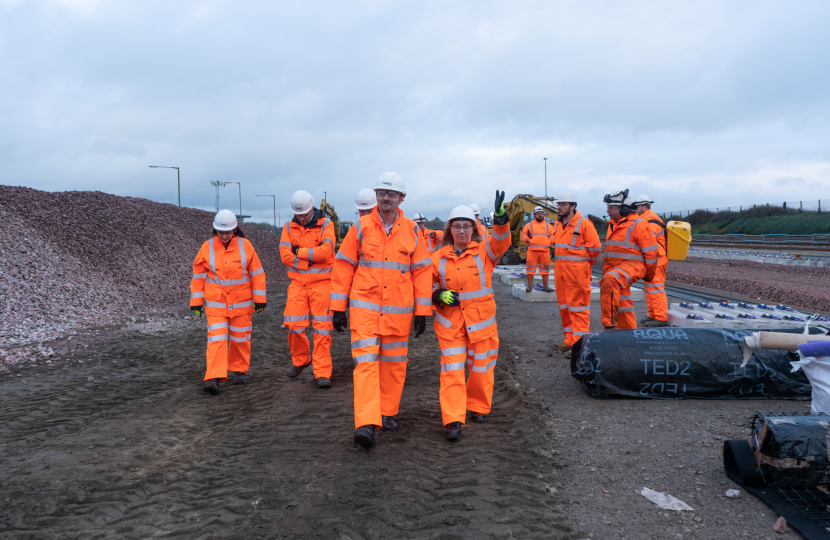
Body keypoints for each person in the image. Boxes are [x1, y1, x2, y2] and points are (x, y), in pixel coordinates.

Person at [330, 172, 432, 448]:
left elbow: (422, 272)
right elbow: (343, 267)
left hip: (398, 314)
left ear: (401, 198)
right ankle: (365, 422)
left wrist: (423, 311)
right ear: (376, 196)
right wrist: (337, 307)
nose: (385, 198)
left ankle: (386, 413)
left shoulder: (412, 230)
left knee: (394, 367)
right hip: (365, 313)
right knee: (364, 367)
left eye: (391, 194)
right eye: (381, 193)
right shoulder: (361, 228)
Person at [432, 193, 511, 441]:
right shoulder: (437, 258)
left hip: (481, 324)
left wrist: (500, 220)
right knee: (452, 371)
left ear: (473, 229)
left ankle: (478, 407)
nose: (462, 231)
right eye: (457, 226)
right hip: (451, 325)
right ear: (450, 229)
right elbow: (426, 285)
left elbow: (500, 241)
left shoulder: (484, 252)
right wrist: (439, 295)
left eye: (466, 226)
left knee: (481, 368)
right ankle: (453, 419)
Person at [190, 210, 267, 395]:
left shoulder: (246, 246)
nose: (224, 236)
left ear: (235, 230)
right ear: (215, 231)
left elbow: (257, 273)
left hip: (241, 304)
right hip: (216, 305)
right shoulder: (206, 248)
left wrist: (260, 300)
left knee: (240, 339)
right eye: (220, 232)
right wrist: (196, 302)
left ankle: (239, 370)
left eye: (227, 232)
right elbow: (198, 276)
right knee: (216, 340)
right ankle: (213, 378)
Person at [279, 190, 336, 389]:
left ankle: (322, 373)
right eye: (298, 214)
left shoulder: (326, 225)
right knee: (293, 326)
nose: (301, 218)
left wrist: (299, 252)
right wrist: (309, 261)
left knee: (322, 331)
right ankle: (301, 360)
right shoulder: (288, 226)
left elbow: (326, 252)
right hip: (297, 285)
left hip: (323, 285)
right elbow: (285, 256)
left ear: (312, 208)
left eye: (304, 214)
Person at [600, 190, 659, 329]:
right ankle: (628, 333)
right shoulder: (612, 224)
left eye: (611, 207)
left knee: (611, 279)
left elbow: (651, 253)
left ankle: (608, 326)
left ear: (624, 209)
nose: (607, 211)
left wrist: (648, 276)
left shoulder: (639, 225)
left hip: (633, 266)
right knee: (623, 302)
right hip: (616, 269)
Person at [551, 192, 602, 351]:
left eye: (563, 204)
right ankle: (569, 341)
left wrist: (583, 266)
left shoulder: (584, 224)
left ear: (573, 207)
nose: (559, 207)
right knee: (565, 308)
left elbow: (595, 249)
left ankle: (580, 347)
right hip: (561, 274)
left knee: (578, 310)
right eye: (558, 204)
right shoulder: (557, 224)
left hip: (577, 275)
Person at [633, 195, 668, 328]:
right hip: (653, 259)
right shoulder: (645, 219)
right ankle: (653, 315)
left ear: (644, 206)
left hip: (657, 259)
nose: (636, 209)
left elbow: (648, 240)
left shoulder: (651, 219)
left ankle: (661, 317)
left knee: (656, 288)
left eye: (637, 207)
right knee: (650, 288)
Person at [521, 207, 554, 293]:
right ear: (534, 215)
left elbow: (552, 235)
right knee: (530, 269)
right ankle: (529, 286)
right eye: (538, 213)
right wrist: (528, 240)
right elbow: (523, 235)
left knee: (546, 269)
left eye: (541, 213)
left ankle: (546, 286)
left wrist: (549, 241)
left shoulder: (548, 225)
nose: (540, 215)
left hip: (545, 251)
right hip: (532, 250)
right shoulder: (529, 225)